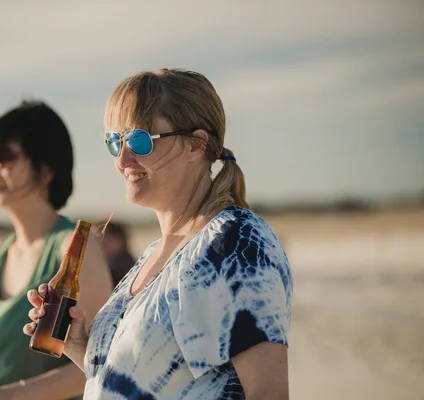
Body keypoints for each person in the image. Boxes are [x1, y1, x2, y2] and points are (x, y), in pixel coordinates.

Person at [25, 69, 293, 399]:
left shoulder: (232, 242)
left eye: (139, 140)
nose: (123, 159)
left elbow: (268, 393)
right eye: (115, 142)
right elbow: (141, 384)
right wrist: (79, 347)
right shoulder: (153, 255)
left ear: (197, 144)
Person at [0, 101, 113, 400]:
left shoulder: (75, 248)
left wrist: (0, 396)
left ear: (45, 169)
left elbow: (97, 362)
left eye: (3, 157)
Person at [95, 220, 136, 286]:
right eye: (97, 239)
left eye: (107, 239)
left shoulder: (125, 268)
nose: (101, 243)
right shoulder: (101, 264)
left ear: (120, 241)